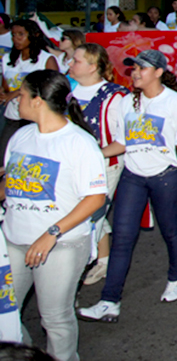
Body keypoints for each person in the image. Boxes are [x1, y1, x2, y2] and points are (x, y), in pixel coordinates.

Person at [2, 70, 107, 361]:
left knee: (55, 319)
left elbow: (96, 197)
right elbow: (11, 184)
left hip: (59, 246)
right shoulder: (21, 136)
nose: (16, 101)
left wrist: (51, 234)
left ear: (37, 101)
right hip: (13, 240)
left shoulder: (78, 143)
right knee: (5, 314)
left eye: (21, 95)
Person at [77, 50, 177, 323]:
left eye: (142, 68)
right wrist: (91, 153)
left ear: (159, 72)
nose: (135, 72)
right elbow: (122, 143)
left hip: (165, 177)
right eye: (133, 68)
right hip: (132, 176)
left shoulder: (175, 103)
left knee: (171, 231)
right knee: (123, 238)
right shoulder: (127, 102)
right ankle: (109, 300)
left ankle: (176, 276)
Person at [68, 43, 128, 285]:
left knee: (91, 214)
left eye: (76, 61)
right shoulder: (66, 90)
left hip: (104, 165)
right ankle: (101, 258)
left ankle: (90, 261)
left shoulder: (114, 96)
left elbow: (123, 142)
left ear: (93, 67)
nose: (70, 65)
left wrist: (92, 155)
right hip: (72, 165)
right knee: (82, 213)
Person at [0, 20, 58, 161]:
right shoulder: (7, 59)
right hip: (12, 116)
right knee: (5, 157)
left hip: (36, 119)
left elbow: (53, 88)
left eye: (21, 34)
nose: (16, 39)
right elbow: (5, 87)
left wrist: (17, 93)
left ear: (35, 35)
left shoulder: (46, 59)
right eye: (13, 35)